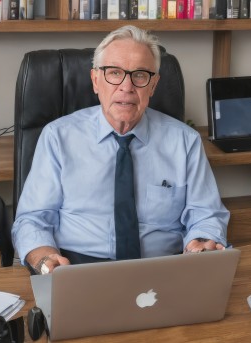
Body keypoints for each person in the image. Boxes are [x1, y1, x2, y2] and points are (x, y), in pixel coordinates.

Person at [12, 25, 229, 275]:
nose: (126, 87)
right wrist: (45, 260)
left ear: (153, 85)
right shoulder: (58, 137)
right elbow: (32, 219)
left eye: (139, 75)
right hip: (76, 267)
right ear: (95, 80)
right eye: (114, 73)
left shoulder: (185, 141)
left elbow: (206, 213)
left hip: (163, 267)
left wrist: (201, 242)